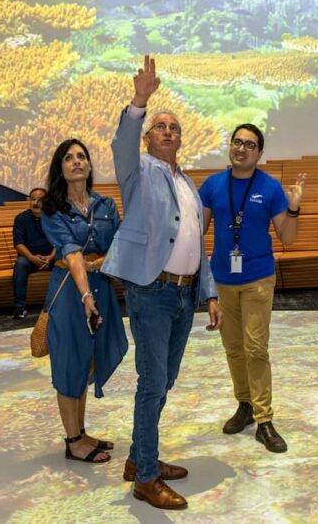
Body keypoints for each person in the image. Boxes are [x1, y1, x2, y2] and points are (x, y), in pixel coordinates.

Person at [101, 54, 221, 510]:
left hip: (183, 294)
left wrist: (208, 293)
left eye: (174, 128)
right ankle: (146, 478)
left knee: (163, 379)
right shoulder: (138, 172)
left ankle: (138, 457)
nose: (168, 132)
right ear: (150, 137)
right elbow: (121, 145)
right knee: (153, 382)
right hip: (151, 291)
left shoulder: (189, 184)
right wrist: (140, 101)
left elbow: (198, 244)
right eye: (161, 127)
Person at [200, 124, 306, 453]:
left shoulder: (270, 187)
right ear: (230, 147)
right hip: (223, 280)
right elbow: (197, 232)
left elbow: (287, 238)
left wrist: (293, 206)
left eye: (250, 144)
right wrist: (207, 290)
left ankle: (264, 419)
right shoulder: (212, 186)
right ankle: (244, 405)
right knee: (233, 349)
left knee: (256, 348)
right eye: (237, 142)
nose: (242, 149)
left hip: (258, 278)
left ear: (260, 153)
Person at [40, 139, 126, 464]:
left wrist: (102, 264)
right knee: (69, 363)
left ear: (89, 165)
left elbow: (118, 246)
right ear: (60, 168)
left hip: (101, 287)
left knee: (88, 360)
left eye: (81, 156)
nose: (76, 161)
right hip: (69, 292)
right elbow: (72, 253)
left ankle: (82, 430)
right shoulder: (52, 209)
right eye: (69, 158)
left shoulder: (107, 205)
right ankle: (73, 441)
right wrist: (86, 293)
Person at [12, 188, 56, 319]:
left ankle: (65, 303)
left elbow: (60, 242)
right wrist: (32, 258)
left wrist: (50, 257)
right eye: (32, 199)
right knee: (20, 263)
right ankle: (19, 307)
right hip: (29, 257)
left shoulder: (54, 218)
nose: (35, 203)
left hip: (51, 256)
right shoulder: (21, 218)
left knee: (67, 261)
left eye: (40, 199)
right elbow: (19, 244)